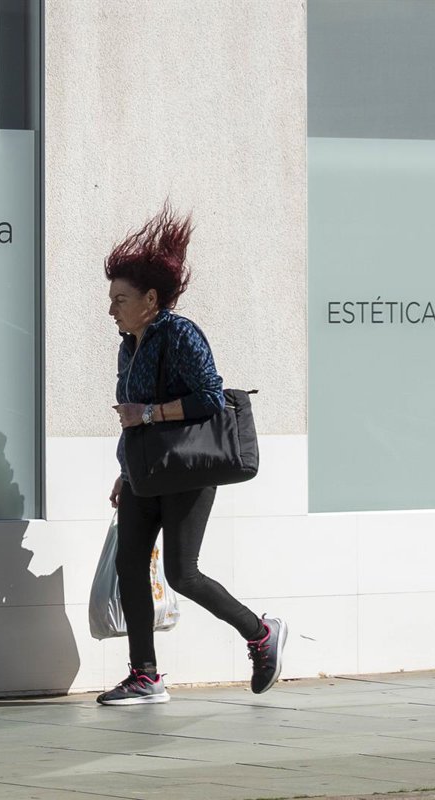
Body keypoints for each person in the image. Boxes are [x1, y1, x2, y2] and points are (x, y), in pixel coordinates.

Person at [98, 205, 286, 706]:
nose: (112, 310)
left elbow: (210, 398)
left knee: (182, 573)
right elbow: (129, 415)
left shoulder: (181, 334)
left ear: (150, 299)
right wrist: (124, 469)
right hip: (143, 472)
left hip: (186, 470)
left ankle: (261, 633)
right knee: (130, 568)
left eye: (120, 299)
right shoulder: (129, 345)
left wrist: (149, 414)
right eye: (111, 300)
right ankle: (145, 676)